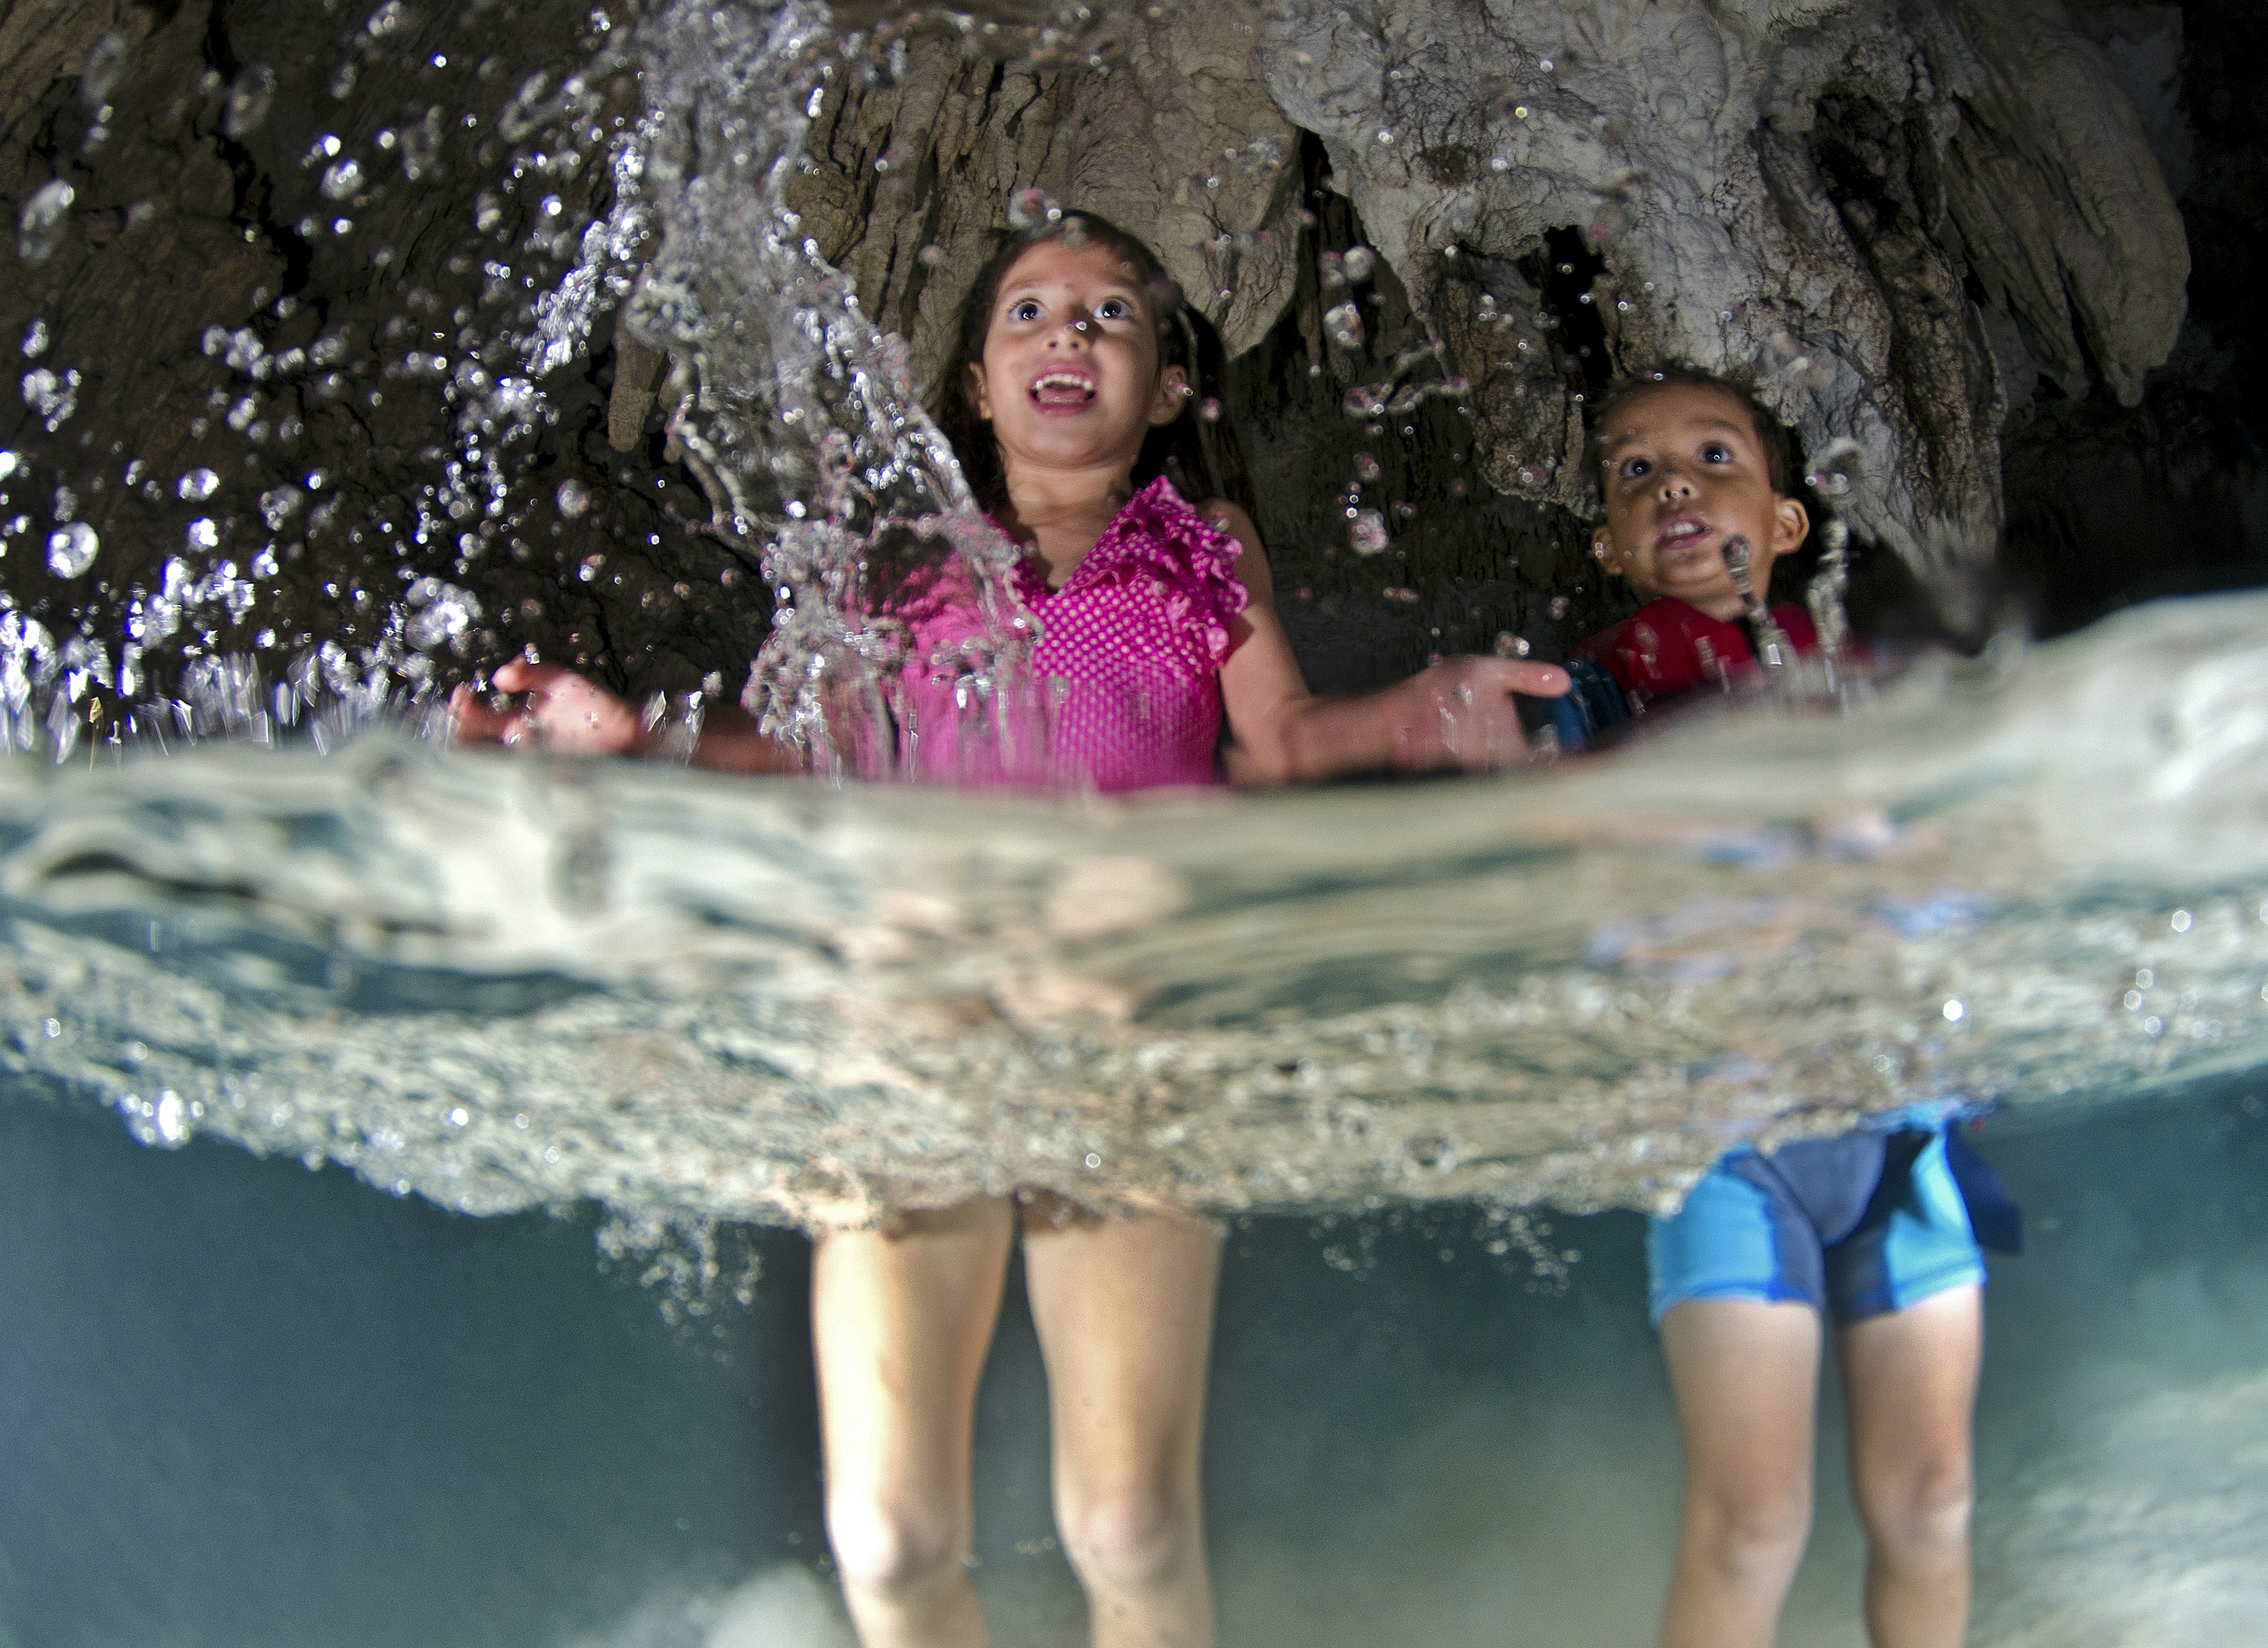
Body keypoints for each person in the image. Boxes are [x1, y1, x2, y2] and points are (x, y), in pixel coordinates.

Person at [453, 209, 1569, 1648]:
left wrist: (1409, 716)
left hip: (1133, 1028)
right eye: (1031, 313)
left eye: (1112, 316)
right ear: (976, 386)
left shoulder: (1201, 548)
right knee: (892, 1536)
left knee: (1129, 1522)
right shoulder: (894, 565)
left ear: (1167, 386)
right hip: (915, 1029)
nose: (1069, 335)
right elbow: (811, 772)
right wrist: (637, 743)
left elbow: (1281, 739)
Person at [1558, 364, 2017, 1648]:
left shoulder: (1872, 683)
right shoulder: (1594, 699)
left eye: (1715, 459)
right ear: (1609, 541)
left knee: (1933, 1498)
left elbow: (1961, 861)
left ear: (1788, 521)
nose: (1678, 488)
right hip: (1728, 1141)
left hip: (1902, 1129)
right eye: (1636, 472)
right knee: (1754, 1521)